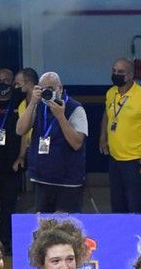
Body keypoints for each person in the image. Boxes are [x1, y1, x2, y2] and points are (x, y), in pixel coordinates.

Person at [16, 71, 88, 213]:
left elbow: (77, 143)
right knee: (44, 226)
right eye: (43, 89)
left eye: (51, 88)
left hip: (67, 181)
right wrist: (32, 104)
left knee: (65, 227)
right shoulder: (38, 106)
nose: (47, 92)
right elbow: (20, 130)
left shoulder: (76, 108)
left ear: (60, 88)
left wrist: (61, 117)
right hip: (42, 179)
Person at [99, 58, 141, 213]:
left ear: (131, 75)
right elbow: (107, 115)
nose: (116, 74)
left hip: (135, 161)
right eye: (114, 71)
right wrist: (103, 138)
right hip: (114, 159)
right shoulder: (111, 92)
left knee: (135, 206)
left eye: (120, 72)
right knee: (117, 205)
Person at [0, 68, 26, 252]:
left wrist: (21, 156)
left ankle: (6, 240)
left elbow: (25, 133)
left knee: (8, 203)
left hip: (12, 161)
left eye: (6, 80)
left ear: (13, 83)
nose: (2, 83)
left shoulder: (19, 103)